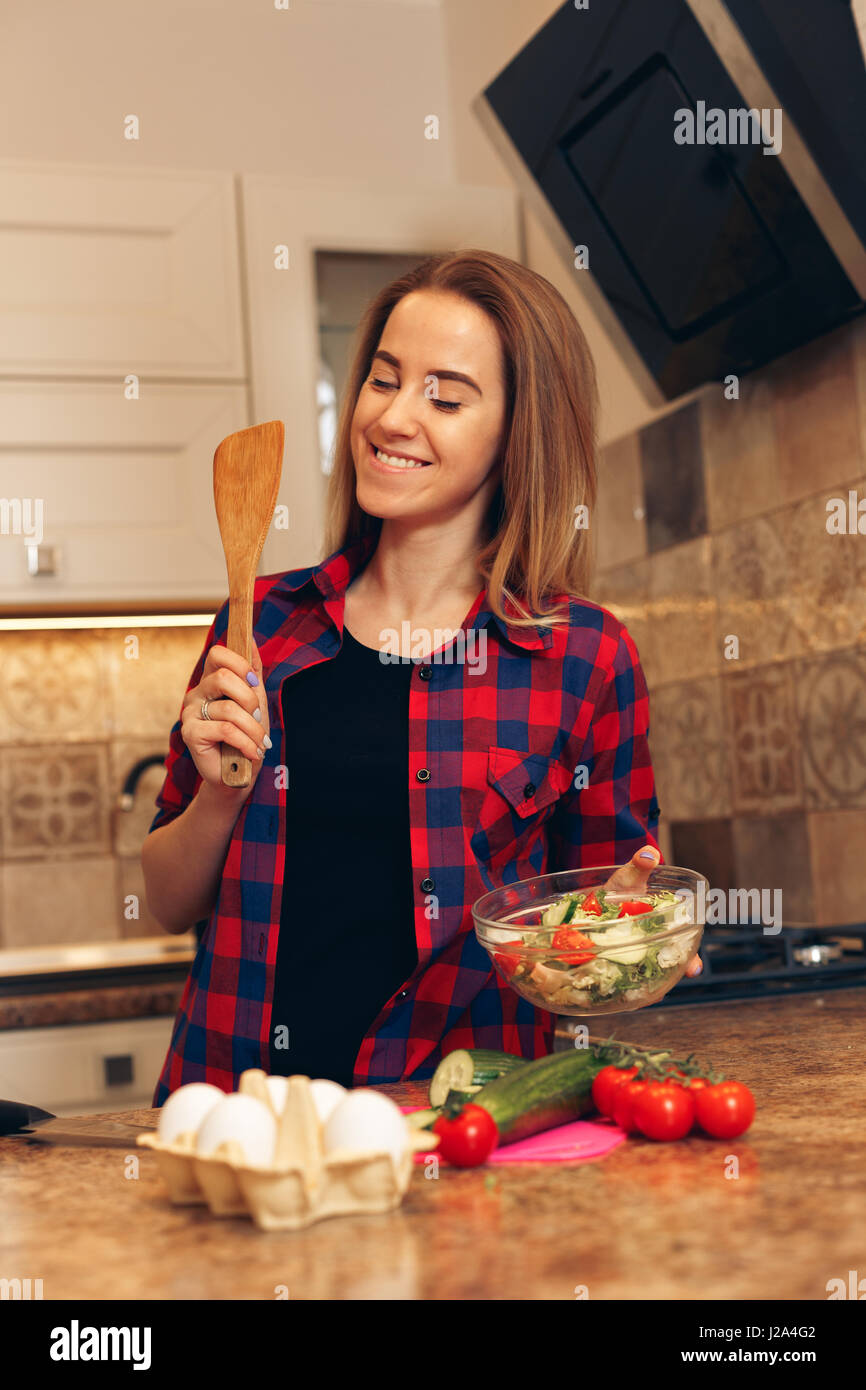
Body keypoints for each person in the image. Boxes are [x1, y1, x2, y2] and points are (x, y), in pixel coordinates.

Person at [142, 248, 700, 1104]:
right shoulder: (261, 624)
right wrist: (219, 793)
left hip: (464, 1128)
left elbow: (605, 915)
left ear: (518, 432)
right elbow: (169, 900)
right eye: (383, 380)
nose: (394, 417)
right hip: (238, 1118)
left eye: (445, 395)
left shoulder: (583, 656)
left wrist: (635, 935)